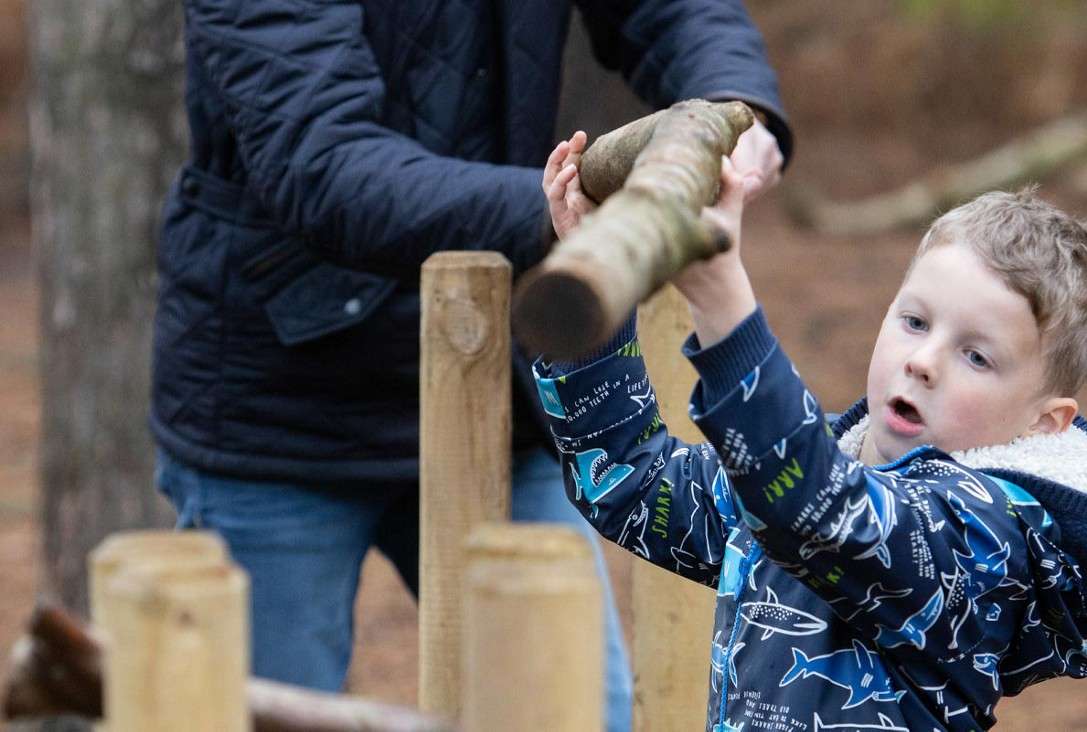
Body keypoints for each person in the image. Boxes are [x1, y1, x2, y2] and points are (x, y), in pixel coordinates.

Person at [149, 1, 792, 728]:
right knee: (265, 715)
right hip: (281, 409)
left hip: (500, 390)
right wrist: (561, 205)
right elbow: (320, 162)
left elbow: (674, 10)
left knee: (571, 713)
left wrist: (737, 108)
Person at [537, 149, 1087, 729]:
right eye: (915, 322)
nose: (924, 362)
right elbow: (630, 481)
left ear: (1044, 422)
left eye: (976, 356)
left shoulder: (985, 544)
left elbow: (824, 513)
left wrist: (724, 302)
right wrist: (592, 284)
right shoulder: (802, 469)